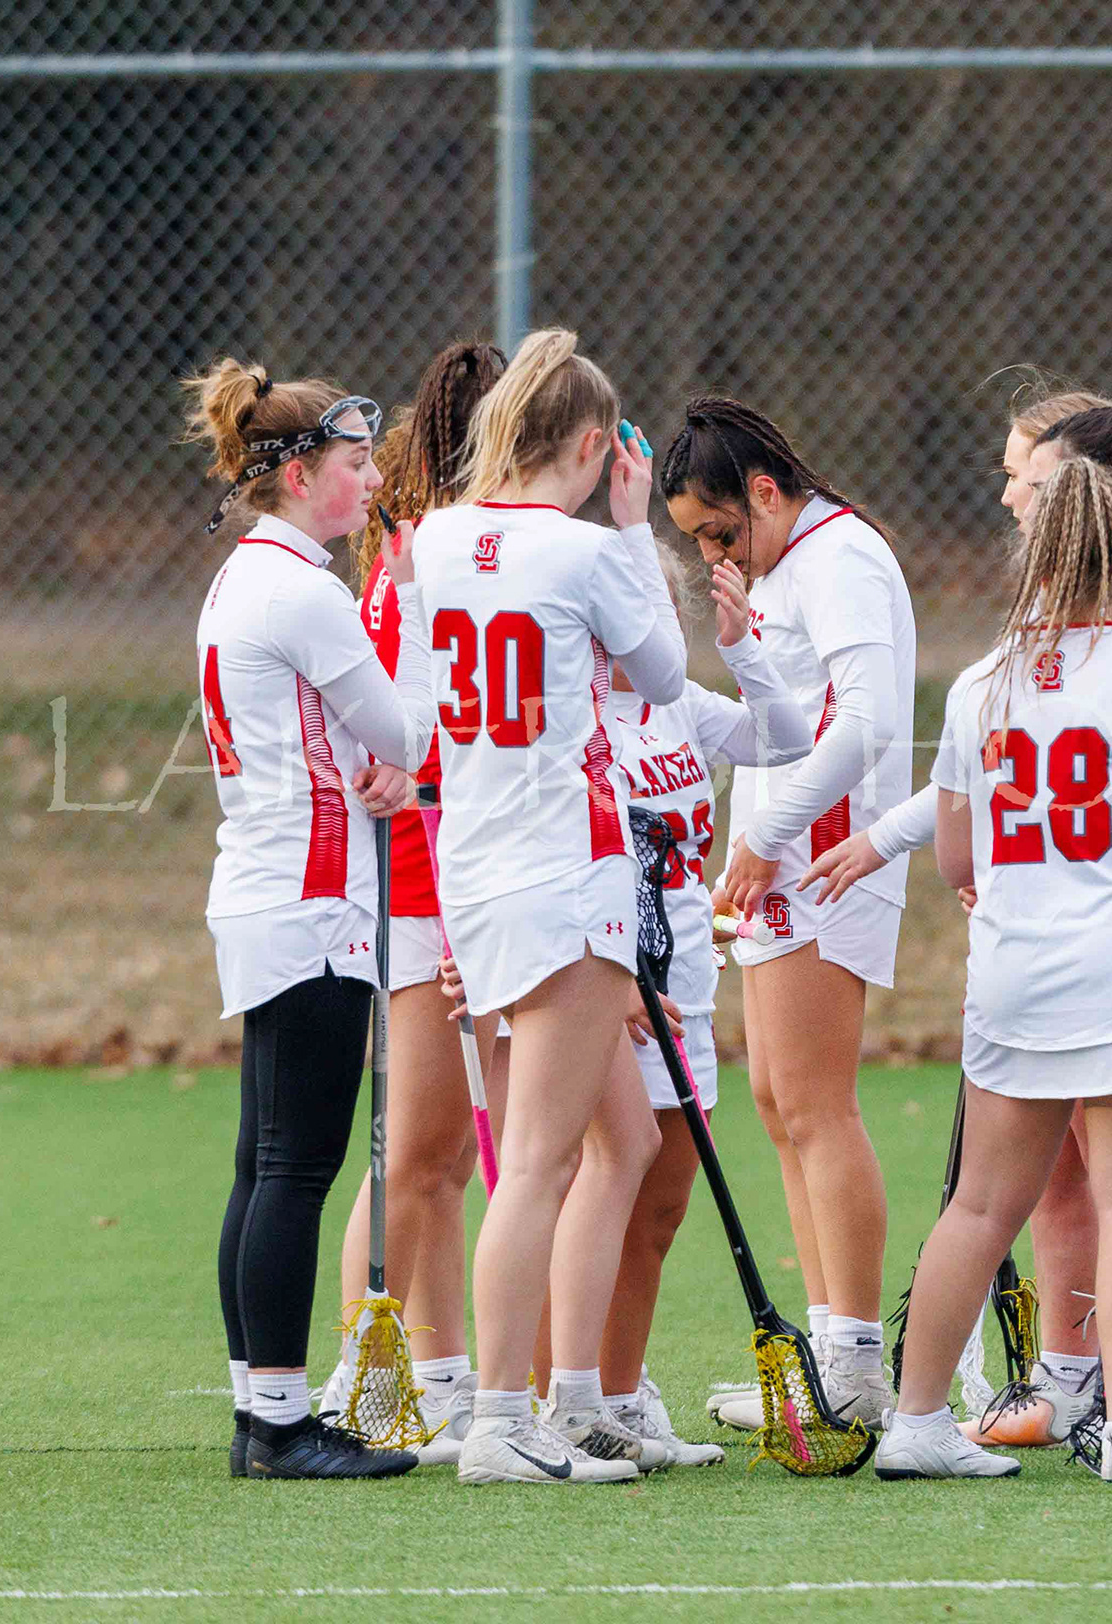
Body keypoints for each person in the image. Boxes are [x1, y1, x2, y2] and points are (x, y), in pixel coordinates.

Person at [802, 380, 1112, 1450]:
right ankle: (1095, 1393)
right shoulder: (1087, 656)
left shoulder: (1075, 645)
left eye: (1026, 479)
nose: (1012, 498)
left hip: (1082, 936)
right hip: (1101, 925)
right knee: (1096, 1181)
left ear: (1075, 513)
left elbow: (999, 824)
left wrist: (930, 847)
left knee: (1078, 1182)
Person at [414, 328, 689, 1485]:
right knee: (534, 1163)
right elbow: (663, 677)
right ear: (587, 444)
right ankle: (499, 1419)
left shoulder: (435, 538)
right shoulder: (581, 553)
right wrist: (629, 526)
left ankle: (575, 1400)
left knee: (625, 1139)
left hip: (479, 870)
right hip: (564, 872)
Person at [188, 357, 435, 1479]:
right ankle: (281, 1427)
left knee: (264, 1164)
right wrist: (412, 601)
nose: (371, 481)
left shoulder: (249, 575)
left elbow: (346, 737)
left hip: (269, 886)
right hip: (311, 902)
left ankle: (264, 1410)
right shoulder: (302, 588)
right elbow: (406, 726)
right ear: (297, 476)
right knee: (292, 1167)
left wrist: (373, 763)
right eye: (353, 462)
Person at [659, 398, 916, 1429]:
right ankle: (827, 1360)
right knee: (777, 1102)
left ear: (765, 492)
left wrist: (772, 837)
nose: (715, 554)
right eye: (696, 540)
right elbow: (789, 724)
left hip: (827, 861)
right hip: (779, 859)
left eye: (720, 531)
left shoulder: (840, 556)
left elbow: (867, 723)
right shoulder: (785, 568)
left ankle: (855, 1370)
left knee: (817, 1104)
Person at [319, 341, 507, 1464]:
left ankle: (439, 1375)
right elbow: (413, 725)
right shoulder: (429, 554)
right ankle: (366, 1378)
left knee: (443, 1157)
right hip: (429, 874)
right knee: (421, 1151)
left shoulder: (452, 546)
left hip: (472, 868)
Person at [593, 547, 813, 1465]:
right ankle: (563, 1399)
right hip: (609, 990)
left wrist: (744, 648)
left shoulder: (681, 702)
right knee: (594, 1200)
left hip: (686, 989)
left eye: (656, 605)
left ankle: (620, 1395)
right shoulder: (574, 715)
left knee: (660, 1211)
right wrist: (609, 974)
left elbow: (790, 739)